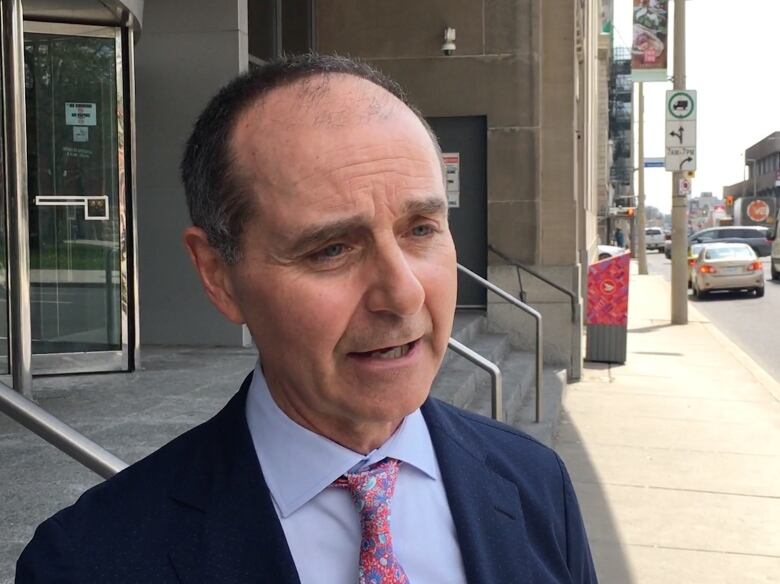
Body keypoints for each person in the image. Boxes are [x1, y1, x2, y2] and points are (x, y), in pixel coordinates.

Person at [17, 54, 597, 583]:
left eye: (421, 229)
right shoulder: (87, 560)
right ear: (219, 276)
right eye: (331, 249)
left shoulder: (534, 482)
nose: (402, 294)